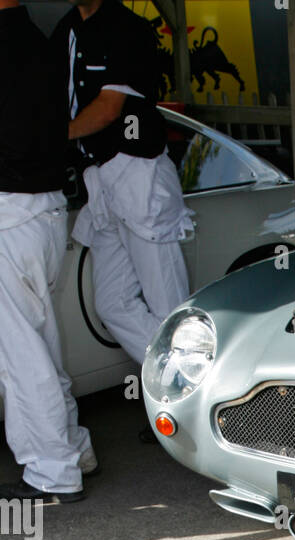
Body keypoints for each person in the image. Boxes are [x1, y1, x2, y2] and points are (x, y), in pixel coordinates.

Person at [52, 0, 193, 367]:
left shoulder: (129, 28)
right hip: (98, 181)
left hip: (138, 175)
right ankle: (172, 379)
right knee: (112, 302)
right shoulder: (65, 29)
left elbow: (109, 107)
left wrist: (52, 137)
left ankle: (184, 403)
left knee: (168, 309)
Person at [0, 0, 96, 505]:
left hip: (10, 214)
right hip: (46, 211)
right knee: (41, 339)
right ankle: (74, 449)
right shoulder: (41, 44)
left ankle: (53, 471)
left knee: (21, 354)